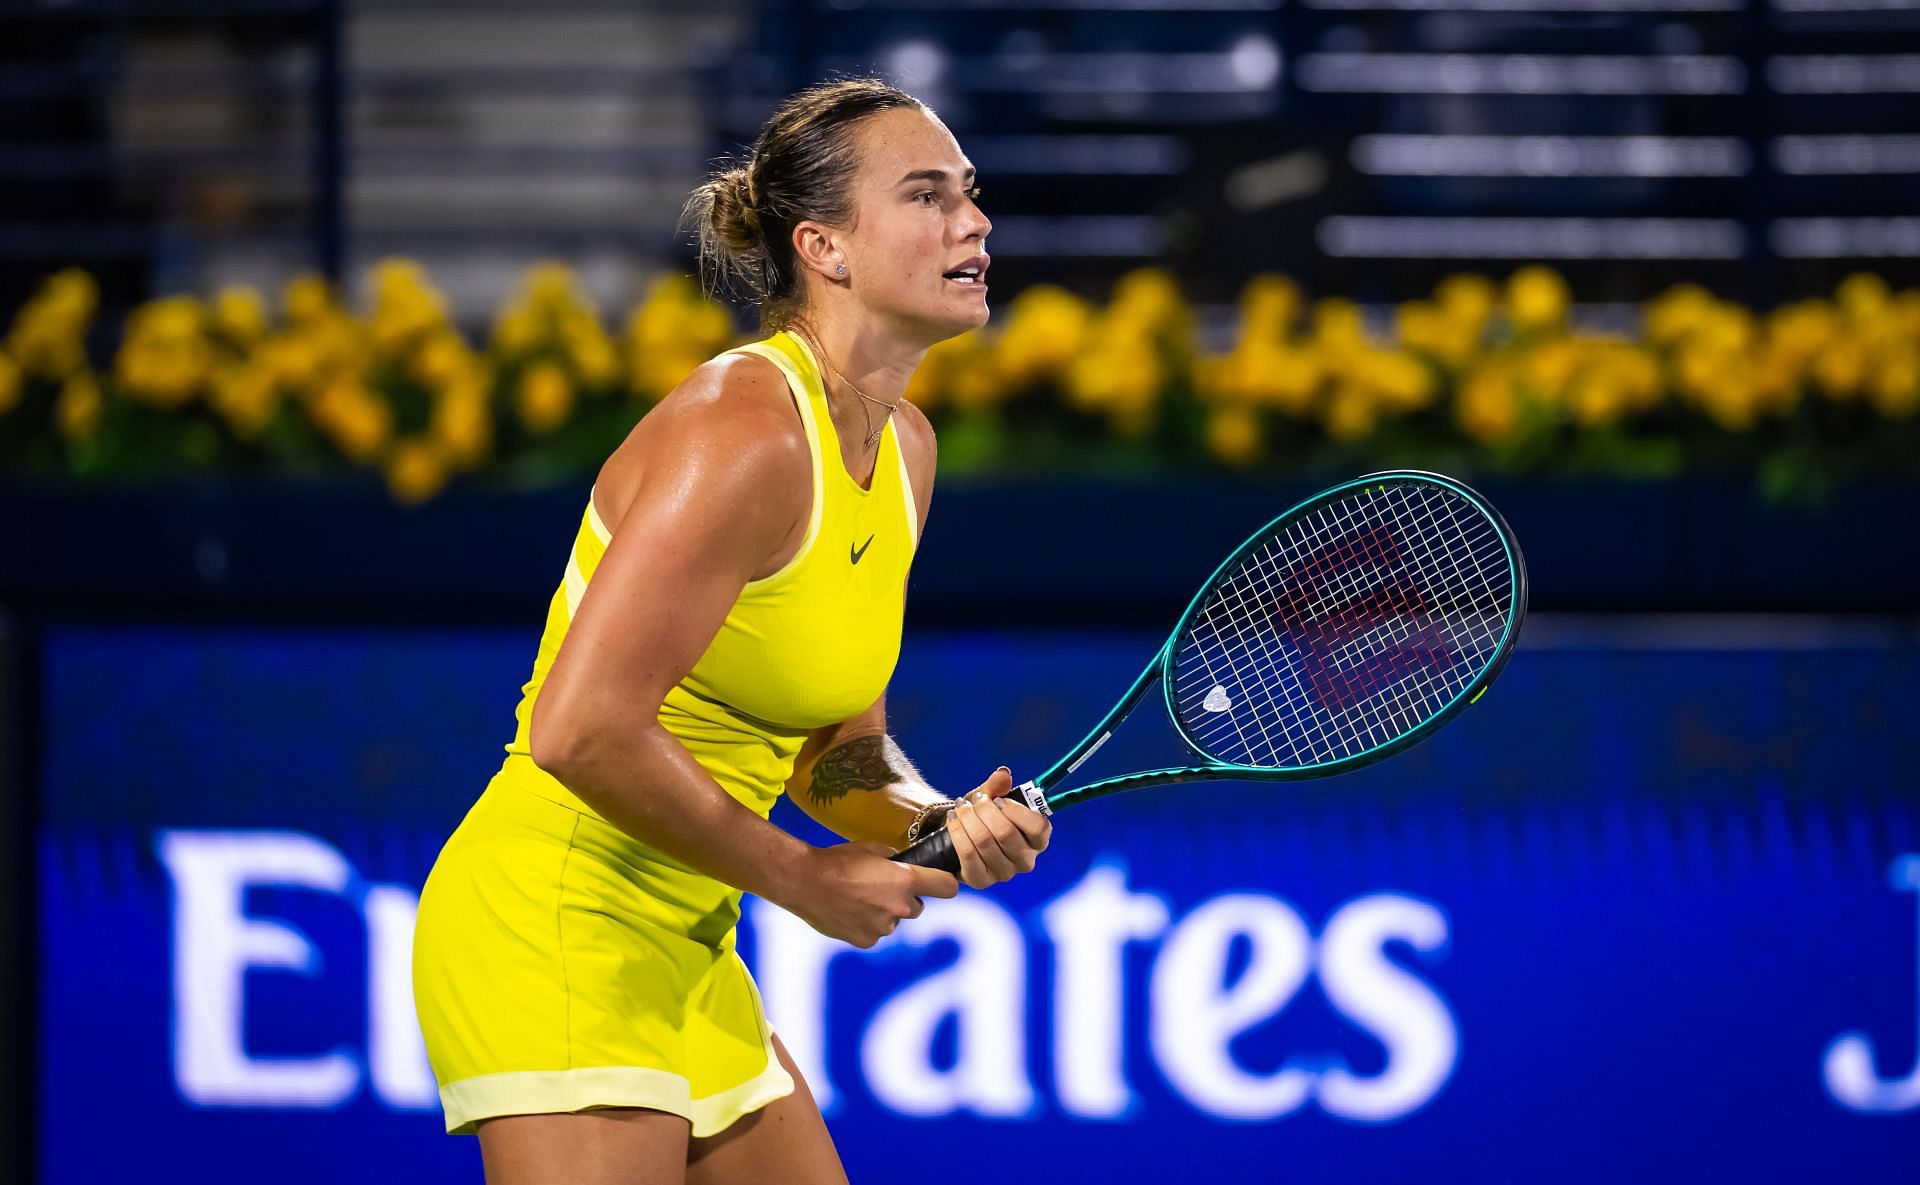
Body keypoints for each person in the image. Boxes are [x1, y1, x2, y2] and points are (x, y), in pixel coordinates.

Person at [411, 77, 1051, 1184]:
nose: (975, 221)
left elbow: (834, 756)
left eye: (972, 193)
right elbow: (581, 729)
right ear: (826, 247)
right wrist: (802, 881)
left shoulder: (906, 450)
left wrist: (940, 822)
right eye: (928, 195)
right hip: (557, 922)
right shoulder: (743, 431)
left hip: (689, 946)